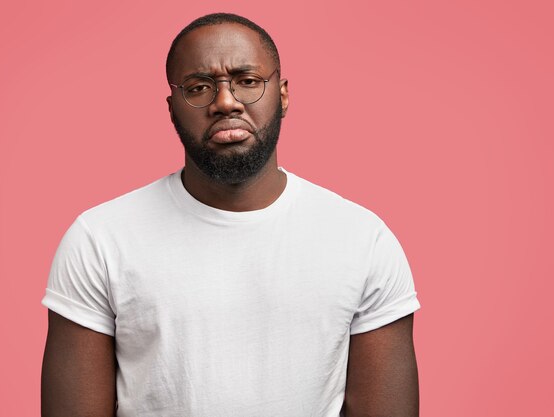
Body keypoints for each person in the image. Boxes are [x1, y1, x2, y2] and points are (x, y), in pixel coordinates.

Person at [41, 13, 421, 417]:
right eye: (199, 87)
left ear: (284, 94)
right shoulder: (100, 239)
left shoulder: (362, 240)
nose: (225, 101)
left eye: (248, 81)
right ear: (172, 109)